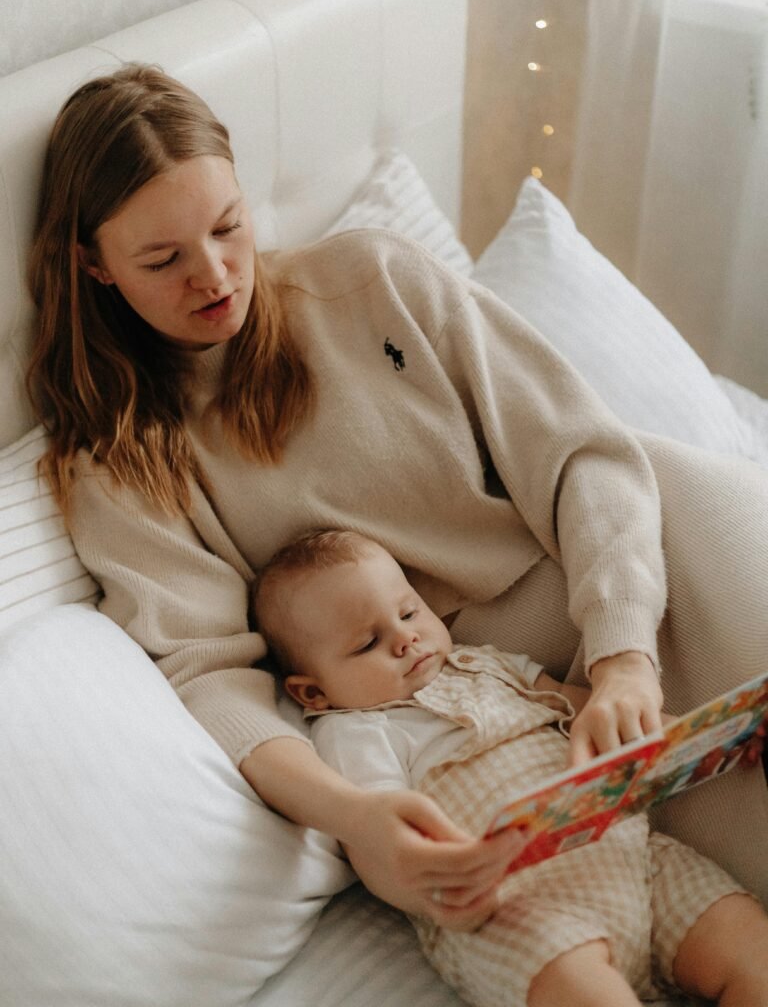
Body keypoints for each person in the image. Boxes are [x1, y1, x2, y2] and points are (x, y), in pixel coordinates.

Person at [27, 63, 768, 925]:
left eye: (230, 227)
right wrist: (353, 816)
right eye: (164, 259)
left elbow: (582, 454)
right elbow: (210, 677)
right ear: (93, 265)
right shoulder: (121, 461)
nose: (218, 276)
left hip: (651, 567)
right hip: (501, 721)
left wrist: (623, 655)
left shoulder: (372, 279)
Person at [253, 527, 768, 1007]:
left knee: (748, 945)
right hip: (514, 910)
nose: (405, 639)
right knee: (579, 988)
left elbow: (588, 708)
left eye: (409, 613)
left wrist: (700, 736)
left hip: (634, 856)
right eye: (368, 643)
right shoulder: (354, 731)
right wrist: (433, 892)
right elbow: (377, 842)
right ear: (313, 692)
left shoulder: (489, 664)